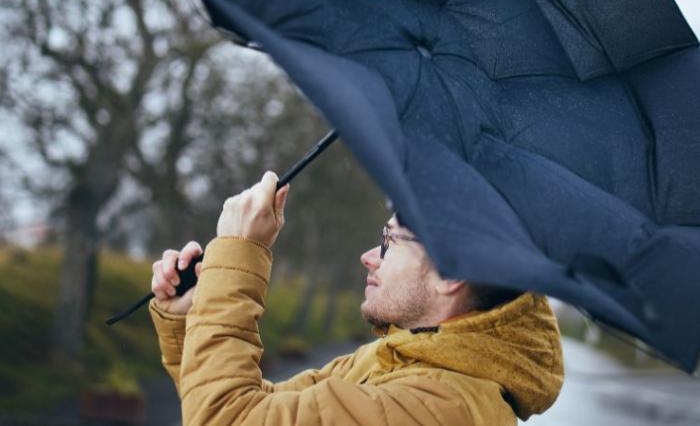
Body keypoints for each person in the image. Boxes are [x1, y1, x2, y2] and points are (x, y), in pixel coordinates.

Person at [149, 171, 564, 425]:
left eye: (389, 242)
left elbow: (226, 418)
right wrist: (189, 320)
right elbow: (250, 405)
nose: (369, 257)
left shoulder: (440, 409)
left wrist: (239, 251)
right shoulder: (399, 359)